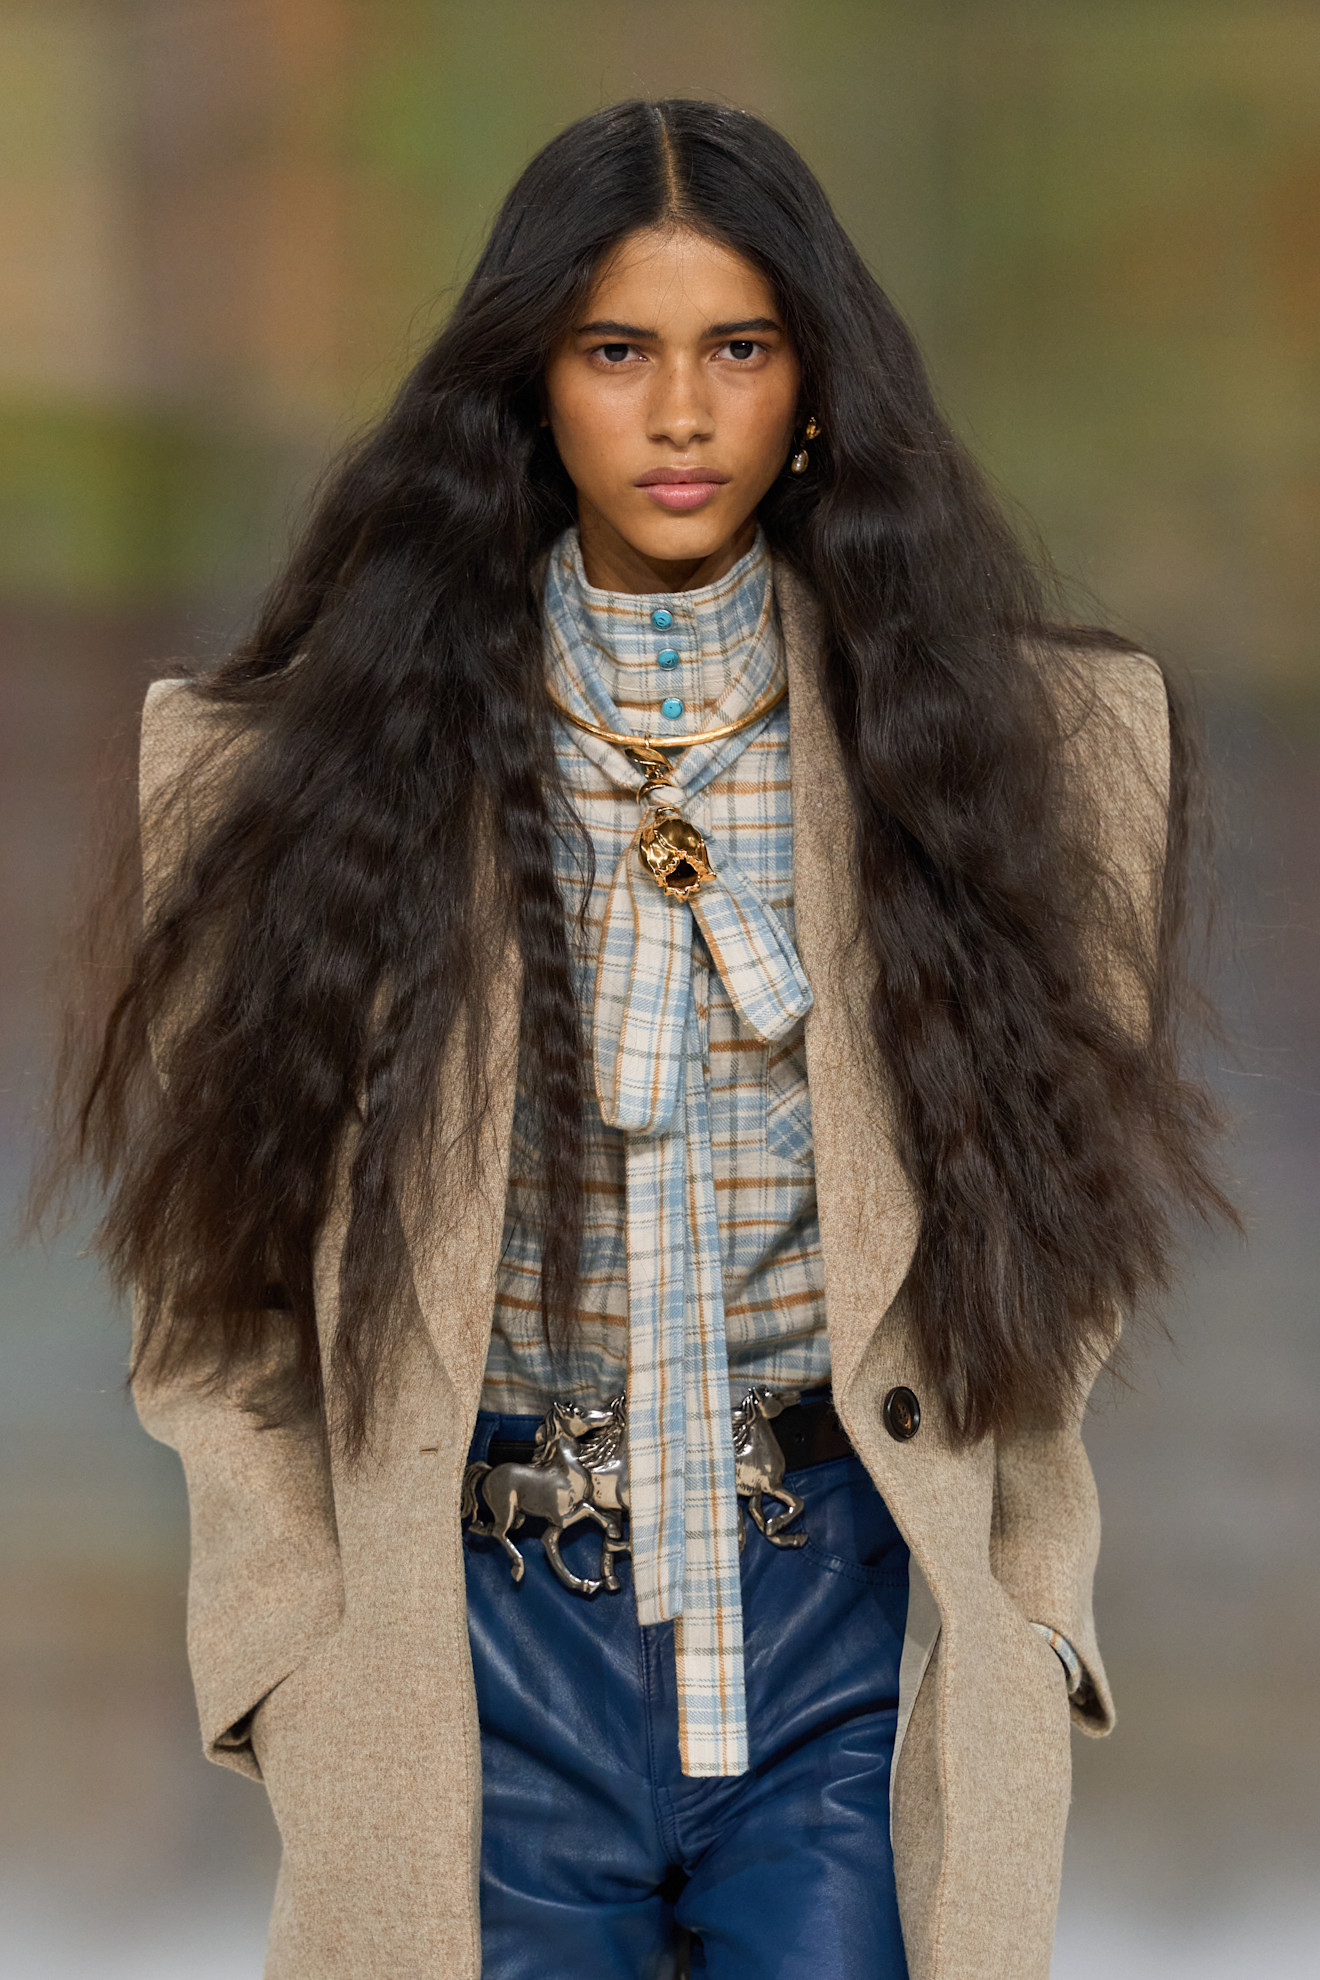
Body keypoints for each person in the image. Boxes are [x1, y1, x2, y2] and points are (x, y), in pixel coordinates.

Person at [43, 99, 1228, 1979]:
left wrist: (1023, 1606)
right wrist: (292, 1657)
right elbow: (214, 1306)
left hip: (853, 1623)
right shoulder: (290, 779)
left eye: (738, 348)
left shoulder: (1030, 764)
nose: (681, 414)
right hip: (474, 1643)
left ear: (815, 382)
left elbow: (1054, 1227)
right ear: (531, 384)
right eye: (617, 351)